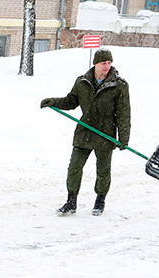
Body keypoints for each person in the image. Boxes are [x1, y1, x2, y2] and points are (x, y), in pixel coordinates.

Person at [41, 48, 130, 216]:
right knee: (74, 167)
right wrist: (53, 101)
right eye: (104, 63)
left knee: (103, 170)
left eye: (109, 63)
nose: (107, 66)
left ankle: (100, 200)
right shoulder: (82, 82)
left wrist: (124, 137)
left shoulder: (119, 85)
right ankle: (71, 201)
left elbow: (124, 113)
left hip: (106, 133)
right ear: (95, 63)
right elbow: (71, 101)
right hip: (85, 131)